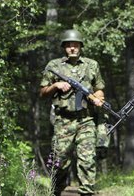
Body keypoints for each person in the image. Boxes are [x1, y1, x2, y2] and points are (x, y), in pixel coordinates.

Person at [40, 29, 107, 196]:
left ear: (80, 46)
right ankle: (56, 190)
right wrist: (56, 86)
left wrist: (97, 98)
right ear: (64, 47)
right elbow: (42, 92)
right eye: (69, 45)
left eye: (75, 45)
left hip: (86, 120)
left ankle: (87, 192)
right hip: (63, 121)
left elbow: (99, 89)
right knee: (59, 161)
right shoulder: (54, 66)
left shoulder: (92, 65)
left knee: (87, 160)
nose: (72, 48)